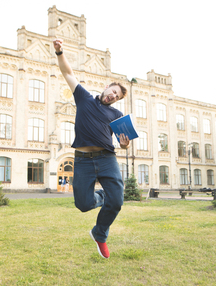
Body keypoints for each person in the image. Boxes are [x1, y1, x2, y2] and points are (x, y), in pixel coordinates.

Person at [53, 38, 131, 259]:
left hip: (107, 158)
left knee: (117, 202)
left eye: (116, 96)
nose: (112, 96)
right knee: (83, 204)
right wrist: (60, 53)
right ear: (106, 88)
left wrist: (125, 145)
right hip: (83, 160)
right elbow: (68, 74)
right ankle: (104, 196)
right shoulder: (84, 98)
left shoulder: (117, 116)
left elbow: (125, 141)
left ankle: (100, 234)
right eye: (112, 91)